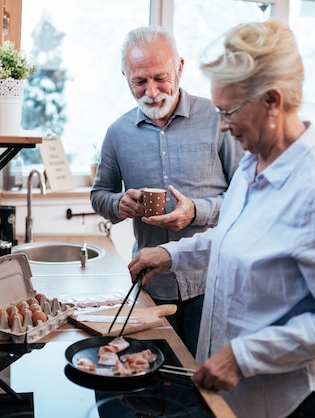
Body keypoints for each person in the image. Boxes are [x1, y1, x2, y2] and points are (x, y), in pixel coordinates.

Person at [127, 19, 315, 418]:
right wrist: (171, 255)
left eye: (229, 111)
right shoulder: (252, 164)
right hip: (241, 393)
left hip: (293, 400)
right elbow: (232, 237)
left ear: (273, 101)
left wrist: (244, 356)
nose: (222, 124)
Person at [90, 26, 243, 356]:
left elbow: (247, 198)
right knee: (156, 383)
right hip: (151, 285)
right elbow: (99, 195)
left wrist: (196, 211)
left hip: (211, 282)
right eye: (139, 82)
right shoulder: (117, 133)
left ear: (180, 68)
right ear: (125, 76)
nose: (152, 91)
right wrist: (120, 203)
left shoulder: (219, 120)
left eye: (160, 78)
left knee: (206, 386)